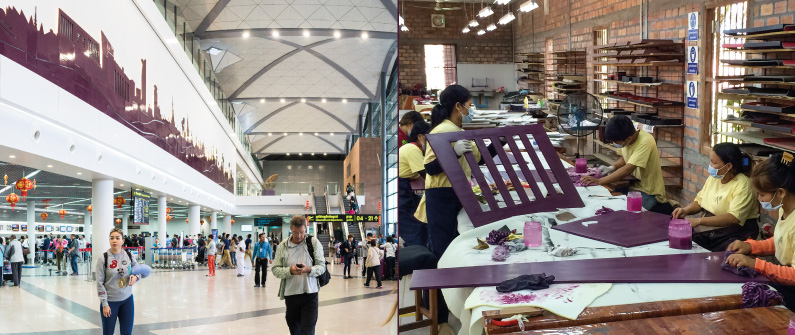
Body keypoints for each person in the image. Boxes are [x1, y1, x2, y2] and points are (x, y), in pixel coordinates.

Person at [726, 152, 795, 311]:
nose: (759, 199)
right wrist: (751, 247)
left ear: (781, 193)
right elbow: (782, 240)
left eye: (762, 194)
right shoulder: (785, 208)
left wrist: (755, 264)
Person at [672, 143, 759, 251]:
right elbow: (700, 201)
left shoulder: (743, 185)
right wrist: (685, 211)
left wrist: (699, 221)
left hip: (736, 231)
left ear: (728, 166)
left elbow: (733, 218)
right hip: (714, 228)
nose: (710, 165)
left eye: (714, 162)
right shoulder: (715, 178)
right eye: (710, 161)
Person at [581, 115, 672, 215]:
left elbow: (628, 168)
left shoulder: (646, 141)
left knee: (627, 216)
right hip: (633, 186)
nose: (614, 144)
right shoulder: (626, 140)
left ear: (628, 138)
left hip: (649, 192)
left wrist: (599, 181)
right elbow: (624, 158)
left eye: (615, 142)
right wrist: (612, 167)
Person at [272, 216, 326, 335]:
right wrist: (290, 270)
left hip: (310, 294)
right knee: (294, 330)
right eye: (295, 232)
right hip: (291, 295)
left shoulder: (313, 242)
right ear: (291, 229)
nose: (299, 236)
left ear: (306, 229)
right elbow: (275, 269)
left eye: (302, 232)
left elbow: (322, 266)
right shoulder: (283, 246)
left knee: (308, 330)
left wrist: (309, 269)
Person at [97, 228, 146, 335]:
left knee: (127, 332)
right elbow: (99, 283)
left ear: (123, 240)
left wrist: (136, 277)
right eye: (112, 238)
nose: (114, 241)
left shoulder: (129, 256)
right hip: (110, 302)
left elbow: (139, 270)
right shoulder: (103, 258)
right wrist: (104, 304)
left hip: (127, 300)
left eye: (117, 238)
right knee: (108, 332)